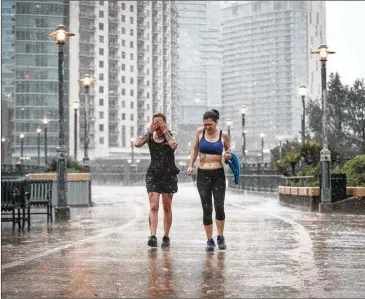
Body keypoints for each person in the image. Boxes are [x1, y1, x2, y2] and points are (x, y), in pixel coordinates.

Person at [187, 109, 231, 251]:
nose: (207, 127)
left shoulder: (223, 135)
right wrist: (190, 165)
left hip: (218, 174)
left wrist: (227, 156)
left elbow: (228, 152)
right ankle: (209, 240)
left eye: (209, 124)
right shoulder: (200, 133)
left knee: (219, 206)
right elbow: (194, 149)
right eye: (205, 124)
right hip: (203, 174)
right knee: (206, 208)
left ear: (216, 122)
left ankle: (220, 236)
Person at [135, 113, 179, 248]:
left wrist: (165, 131)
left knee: (167, 207)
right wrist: (149, 131)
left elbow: (173, 146)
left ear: (165, 123)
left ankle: (166, 236)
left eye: (160, 122)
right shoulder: (150, 136)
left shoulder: (171, 135)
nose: (158, 124)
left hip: (169, 174)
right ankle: (152, 235)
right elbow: (137, 143)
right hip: (153, 174)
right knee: (153, 206)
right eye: (155, 122)